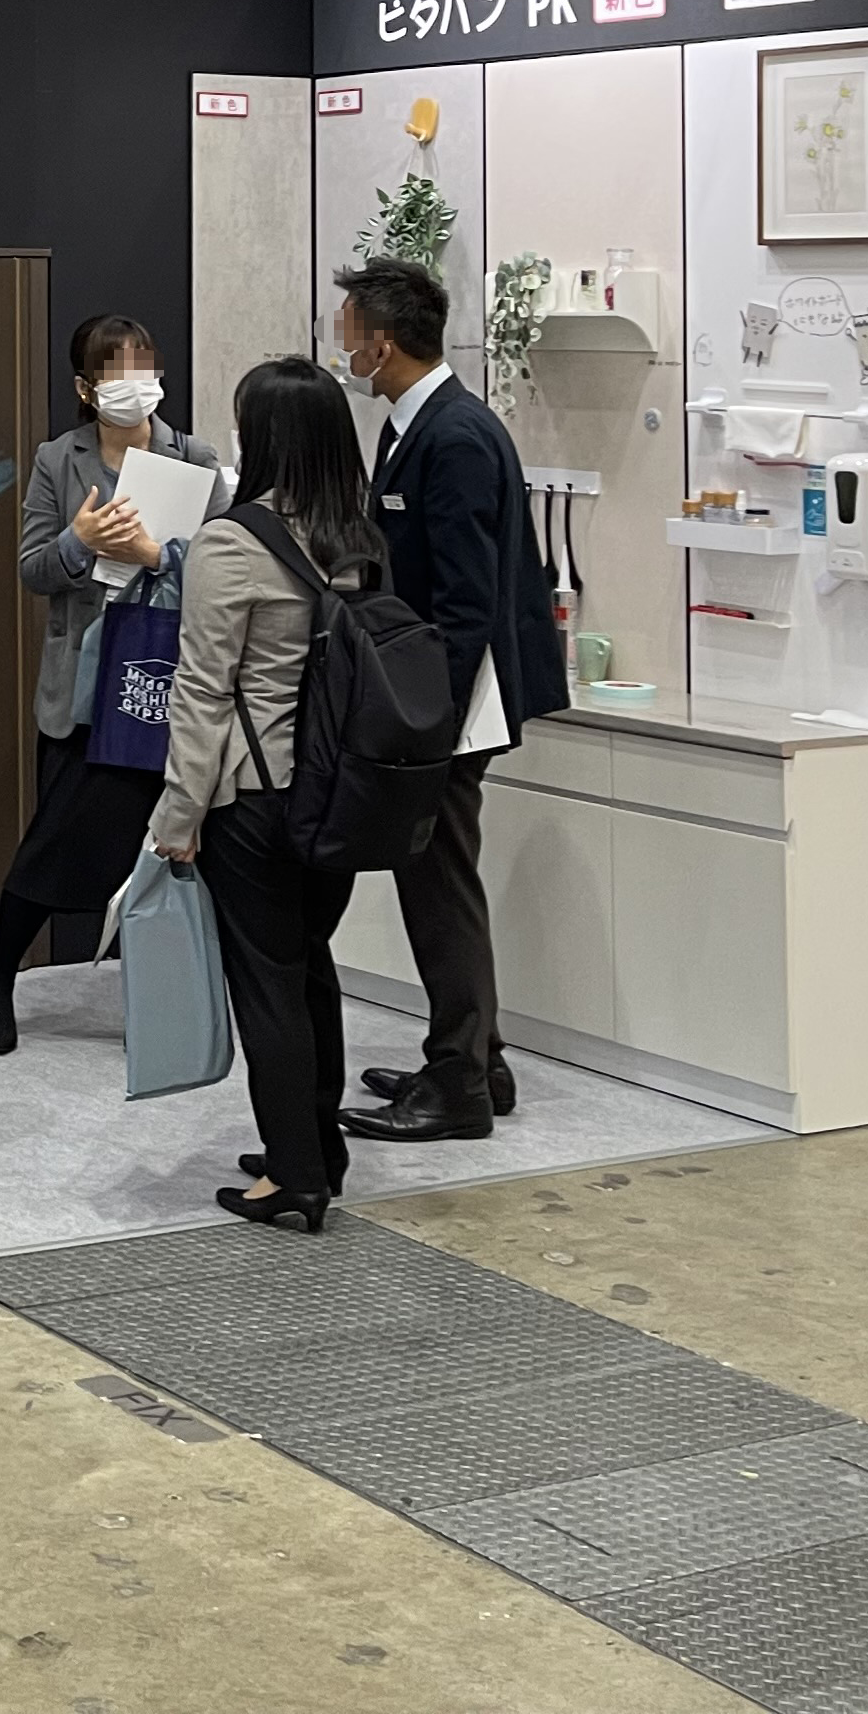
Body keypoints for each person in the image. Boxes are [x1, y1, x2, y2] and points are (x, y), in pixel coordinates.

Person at [329, 256, 566, 1145]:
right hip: (438, 694)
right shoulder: (412, 427)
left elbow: (467, 603)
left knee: (439, 887)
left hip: (455, 704)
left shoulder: (457, 437)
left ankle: (459, 1077)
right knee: (437, 879)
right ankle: (476, 1059)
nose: (343, 348)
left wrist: (427, 718)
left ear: (384, 342)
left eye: (349, 333)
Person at [150, 357, 385, 1231]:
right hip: (342, 794)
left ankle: (294, 1174)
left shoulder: (232, 543)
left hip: (254, 796)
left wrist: (177, 816)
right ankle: (318, 1146)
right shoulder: (360, 542)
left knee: (268, 983)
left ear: (267, 440)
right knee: (310, 966)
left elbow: (203, 690)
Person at [0, 313, 222, 1056]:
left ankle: (165, 1003)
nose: (133, 385)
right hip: (83, 692)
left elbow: (223, 571)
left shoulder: (195, 457)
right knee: (52, 844)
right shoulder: (59, 460)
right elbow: (32, 570)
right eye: (115, 372)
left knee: (166, 852)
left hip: (165, 685)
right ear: (86, 388)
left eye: (142, 367)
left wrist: (157, 555)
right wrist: (79, 542)